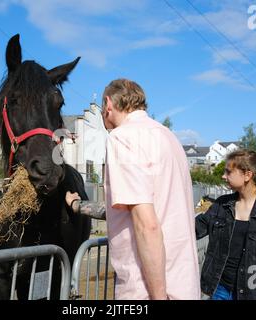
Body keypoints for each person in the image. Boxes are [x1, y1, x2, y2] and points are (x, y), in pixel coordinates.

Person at [67, 79, 200, 300]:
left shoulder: (122, 138)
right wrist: (76, 205)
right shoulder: (169, 137)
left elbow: (146, 224)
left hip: (149, 290)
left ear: (108, 104)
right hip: (183, 285)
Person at [196, 150, 256, 300]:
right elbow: (194, 229)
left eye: (228, 172)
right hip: (219, 289)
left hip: (253, 293)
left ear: (247, 175)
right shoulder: (222, 205)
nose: (223, 176)